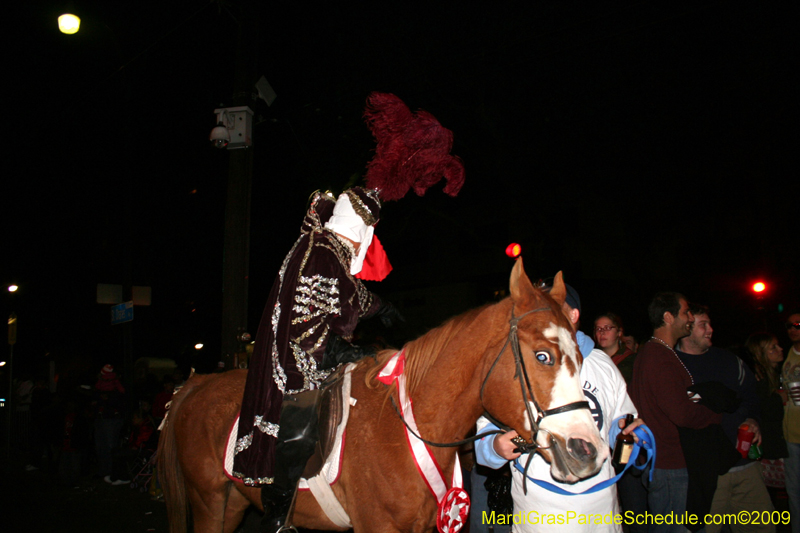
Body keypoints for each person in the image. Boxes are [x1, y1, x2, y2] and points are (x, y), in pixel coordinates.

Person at [233, 187, 398, 531]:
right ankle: (277, 517)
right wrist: (341, 351)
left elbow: (348, 294)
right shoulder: (321, 250)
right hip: (299, 358)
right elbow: (306, 322)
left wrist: (382, 307)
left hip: (322, 353)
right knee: (302, 429)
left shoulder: (330, 250)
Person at [474, 281, 643, 533]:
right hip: (539, 520)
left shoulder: (603, 365)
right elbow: (483, 442)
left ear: (573, 315)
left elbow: (620, 425)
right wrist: (495, 448)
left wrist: (630, 433)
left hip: (601, 517)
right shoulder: (514, 362)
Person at [675, 305, 773, 533]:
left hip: (744, 466)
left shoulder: (729, 361)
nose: (710, 329)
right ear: (687, 328)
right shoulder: (671, 365)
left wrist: (753, 419)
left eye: (709, 324)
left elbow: (751, 397)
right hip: (703, 475)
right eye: (703, 325)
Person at [630, 293, 722, 533]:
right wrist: (715, 415)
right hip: (670, 466)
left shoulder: (656, 353)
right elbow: (681, 413)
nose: (690, 318)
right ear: (668, 317)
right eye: (685, 312)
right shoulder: (658, 357)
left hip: (664, 462)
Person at [782, 312, 800, 533]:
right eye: (789, 325)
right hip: (791, 435)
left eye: (798, 324)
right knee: (794, 493)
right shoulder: (787, 354)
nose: (793, 329)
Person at [93, 364, 126, 481]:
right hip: (101, 418)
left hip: (111, 419)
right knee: (101, 446)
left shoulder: (117, 387)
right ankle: (104, 471)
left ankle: (112, 471)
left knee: (110, 446)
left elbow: (120, 399)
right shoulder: (100, 385)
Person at [594, 313, 636, 385]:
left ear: (619, 332)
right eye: (598, 329)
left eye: (608, 328)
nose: (602, 332)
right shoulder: (592, 358)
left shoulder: (632, 361)